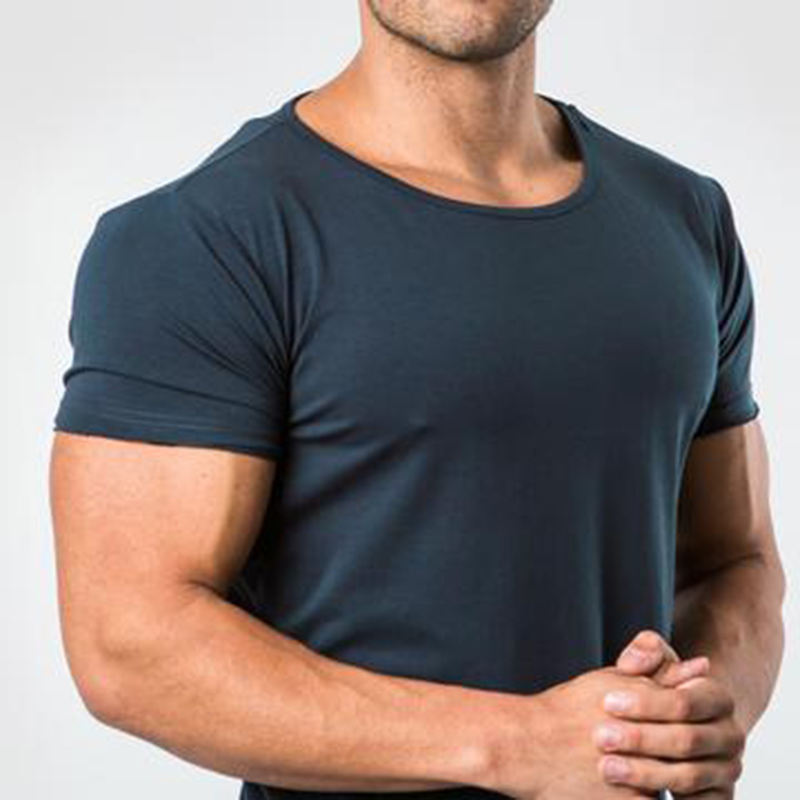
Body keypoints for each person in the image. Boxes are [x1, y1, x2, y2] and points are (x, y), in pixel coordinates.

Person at [49, 1, 786, 798]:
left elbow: (733, 558)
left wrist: (703, 712)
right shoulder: (205, 237)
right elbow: (131, 644)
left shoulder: (684, 216)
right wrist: (517, 745)